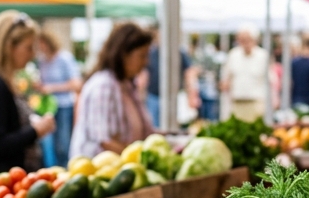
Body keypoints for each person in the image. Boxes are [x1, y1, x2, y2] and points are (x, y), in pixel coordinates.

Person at [0, 12, 55, 184]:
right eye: (28, 47)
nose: (32, 55)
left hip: (5, 184)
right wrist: (35, 131)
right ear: (9, 47)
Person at [70, 23, 154, 159]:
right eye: (142, 56)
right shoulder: (104, 86)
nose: (146, 62)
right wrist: (140, 160)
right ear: (123, 55)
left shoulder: (126, 85)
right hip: (100, 172)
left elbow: (147, 132)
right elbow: (106, 142)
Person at [35, 31, 81, 168]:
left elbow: (76, 84)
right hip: (47, 108)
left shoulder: (64, 58)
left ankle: (65, 170)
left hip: (63, 107)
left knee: (63, 144)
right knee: (48, 146)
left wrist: (52, 88)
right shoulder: (42, 61)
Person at [142, 31, 200, 128]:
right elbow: (144, 76)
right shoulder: (151, 53)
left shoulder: (180, 53)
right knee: (154, 126)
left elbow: (189, 73)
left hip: (175, 96)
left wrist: (192, 94)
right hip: (154, 96)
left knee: (177, 125)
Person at [220, 27, 269, 123]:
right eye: (242, 39)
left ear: (255, 40)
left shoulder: (263, 55)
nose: (245, 42)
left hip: (256, 101)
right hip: (237, 101)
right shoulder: (233, 54)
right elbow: (226, 77)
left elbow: (270, 80)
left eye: (247, 39)